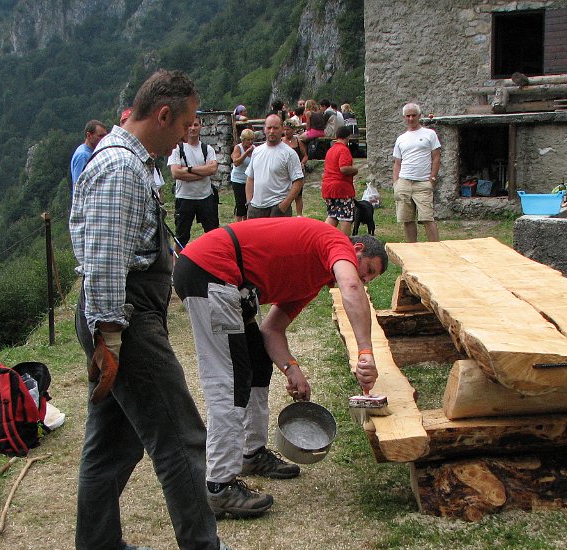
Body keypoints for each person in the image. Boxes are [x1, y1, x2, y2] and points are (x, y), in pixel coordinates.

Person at [69, 68, 269, 550]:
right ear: (162, 115)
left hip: (121, 317)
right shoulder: (119, 168)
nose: (187, 133)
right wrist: (110, 341)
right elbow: (107, 260)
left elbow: (139, 244)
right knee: (180, 436)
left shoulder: (130, 162)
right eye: (184, 123)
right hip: (124, 321)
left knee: (113, 440)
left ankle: (98, 548)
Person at [172, 218, 388, 518]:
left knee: (258, 363)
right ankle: (219, 487)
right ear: (357, 249)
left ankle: (251, 454)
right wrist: (366, 352)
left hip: (229, 282)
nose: (364, 281)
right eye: (368, 272)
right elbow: (351, 285)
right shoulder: (335, 241)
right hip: (210, 270)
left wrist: (291, 369)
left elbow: (272, 330)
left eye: (370, 280)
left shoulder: (311, 281)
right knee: (230, 381)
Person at [392, 102, 441, 243]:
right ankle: (413, 248)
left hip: (423, 183)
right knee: (407, 219)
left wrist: (432, 178)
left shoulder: (430, 134)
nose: (411, 118)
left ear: (419, 116)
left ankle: (436, 249)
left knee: (427, 218)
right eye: (408, 116)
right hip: (404, 182)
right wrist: (396, 183)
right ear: (404, 118)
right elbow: (397, 162)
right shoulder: (401, 138)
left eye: (414, 115)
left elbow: (436, 156)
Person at [169, 116, 220, 248]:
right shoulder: (176, 149)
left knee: (213, 234)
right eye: (190, 125)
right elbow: (175, 173)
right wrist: (202, 173)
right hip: (184, 198)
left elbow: (213, 169)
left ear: (201, 126)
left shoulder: (207, 149)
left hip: (205, 197)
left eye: (196, 125)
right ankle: (177, 266)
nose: (193, 128)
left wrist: (188, 169)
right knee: (181, 237)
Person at [245, 114, 304, 219]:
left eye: (275, 128)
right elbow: (250, 178)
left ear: (282, 129)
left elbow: (298, 181)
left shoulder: (289, 154)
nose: (272, 131)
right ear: (264, 129)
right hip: (255, 208)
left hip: (277, 208)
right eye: (269, 127)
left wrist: (284, 205)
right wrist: (249, 202)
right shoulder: (257, 151)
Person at [322, 126, 359, 234]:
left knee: (333, 215)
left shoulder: (331, 150)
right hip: (341, 189)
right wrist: (355, 170)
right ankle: (345, 243)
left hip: (328, 188)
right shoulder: (343, 149)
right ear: (348, 137)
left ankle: (323, 238)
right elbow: (343, 168)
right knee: (345, 217)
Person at [69, 120, 107, 192]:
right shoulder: (83, 155)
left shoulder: (91, 151)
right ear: (89, 135)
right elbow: (79, 185)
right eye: (100, 136)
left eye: (105, 136)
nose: (104, 139)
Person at [282, 117, 308, 216]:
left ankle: (299, 215)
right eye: (284, 129)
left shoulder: (298, 141)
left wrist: (302, 163)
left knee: (298, 194)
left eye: (288, 129)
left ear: (293, 130)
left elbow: (305, 156)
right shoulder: (281, 141)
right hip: (284, 171)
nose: (286, 131)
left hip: (296, 170)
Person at [230, 128, 255, 222]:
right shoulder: (238, 148)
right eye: (248, 139)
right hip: (238, 180)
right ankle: (238, 224)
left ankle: (246, 223)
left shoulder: (254, 149)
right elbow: (236, 162)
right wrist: (246, 153)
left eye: (252, 139)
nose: (250, 141)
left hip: (249, 181)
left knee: (248, 204)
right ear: (243, 140)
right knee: (240, 205)